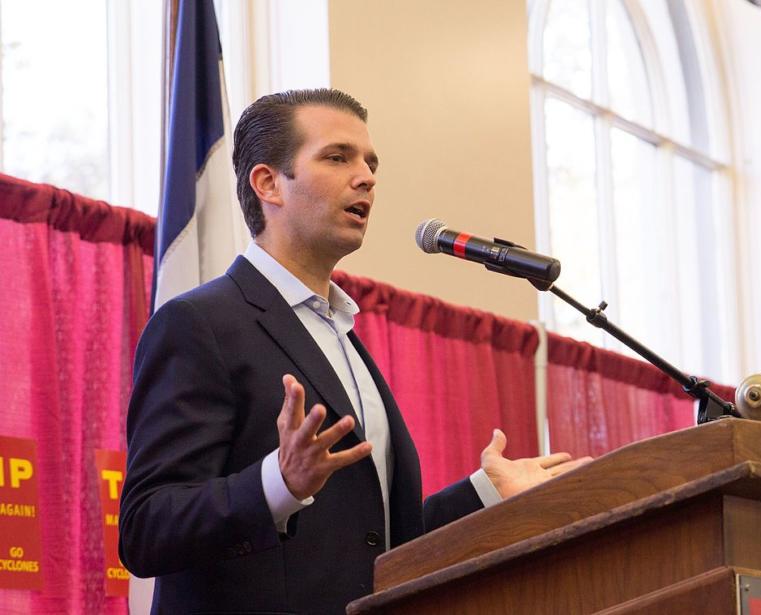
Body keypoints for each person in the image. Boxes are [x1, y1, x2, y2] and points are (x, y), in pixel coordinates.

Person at [119, 89, 589, 614]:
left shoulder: (342, 335)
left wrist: (485, 491)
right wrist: (277, 482)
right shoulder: (200, 324)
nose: (366, 176)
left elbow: (377, 540)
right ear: (267, 182)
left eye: (371, 163)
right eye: (338, 157)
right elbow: (146, 527)